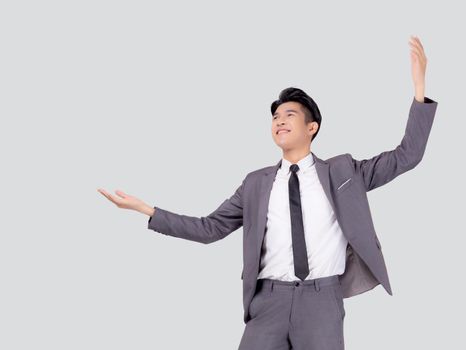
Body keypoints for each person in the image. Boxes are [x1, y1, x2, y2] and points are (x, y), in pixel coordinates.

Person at [98, 35, 438, 350]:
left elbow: (407, 155)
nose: (279, 120)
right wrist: (148, 211)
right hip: (268, 301)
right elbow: (209, 228)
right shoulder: (256, 183)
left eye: (289, 114)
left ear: (312, 127)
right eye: (275, 116)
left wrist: (419, 89)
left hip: (323, 301)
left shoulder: (342, 171)